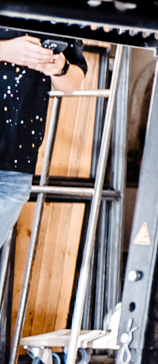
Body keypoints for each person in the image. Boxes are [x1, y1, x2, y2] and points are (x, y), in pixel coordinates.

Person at [0, 29, 87, 254]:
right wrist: (7, 50)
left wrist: (60, 67)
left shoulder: (60, 10)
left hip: (16, 163)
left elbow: (73, 82)